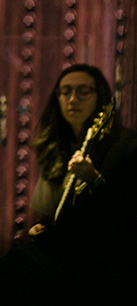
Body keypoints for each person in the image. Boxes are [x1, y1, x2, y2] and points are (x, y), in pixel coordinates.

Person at [26, 64, 137, 297]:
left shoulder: (127, 145)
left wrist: (95, 180)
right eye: (65, 91)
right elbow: (48, 212)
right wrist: (42, 228)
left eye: (83, 91)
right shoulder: (54, 146)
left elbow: (126, 215)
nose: (72, 99)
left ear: (101, 98)